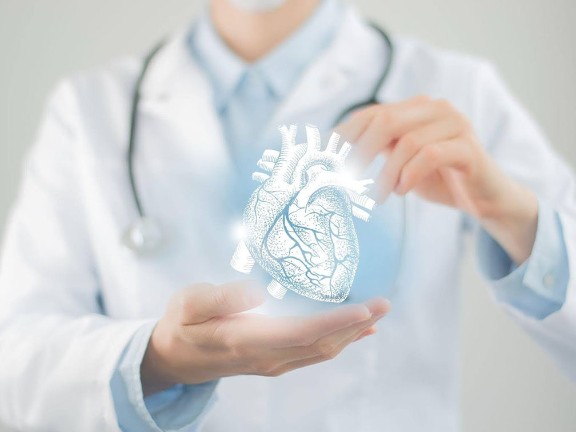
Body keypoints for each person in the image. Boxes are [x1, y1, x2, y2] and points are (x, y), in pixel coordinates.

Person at [0, 0, 574, 430]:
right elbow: (16, 364)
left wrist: (513, 213)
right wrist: (158, 360)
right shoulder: (91, 107)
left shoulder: (453, 90)